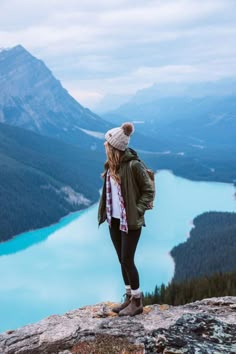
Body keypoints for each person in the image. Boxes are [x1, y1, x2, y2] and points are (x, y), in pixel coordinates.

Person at [98, 122, 154, 316]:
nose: (105, 146)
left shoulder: (133, 165)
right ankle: (129, 297)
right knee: (122, 260)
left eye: (107, 144)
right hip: (114, 221)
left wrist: (137, 211)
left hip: (130, 221)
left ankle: (137, 301)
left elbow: (148, 191)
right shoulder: (111, 166)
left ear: (114, 147)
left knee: (127, 260)